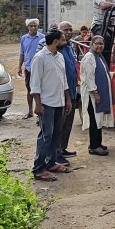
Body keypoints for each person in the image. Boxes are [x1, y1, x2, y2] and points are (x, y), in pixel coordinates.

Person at [30, 30, 73, 181]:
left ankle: (51, 162)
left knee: (56, 135)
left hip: (59, 102)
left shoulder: (59, 56)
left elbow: (64, 80)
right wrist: (38, 104)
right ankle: (38, 169)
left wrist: (67, 99)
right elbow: (34, 84)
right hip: (46, 104)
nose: (65, 42)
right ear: (55, 41)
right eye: (63, 40)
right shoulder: (40, 58)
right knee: (46, 136)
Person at [80, 35, 115, 156]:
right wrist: (95, 93)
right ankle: (94, 146)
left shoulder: (98, 57)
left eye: (101, 44)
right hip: (92, 96)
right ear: (92, 44)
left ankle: (98, 143)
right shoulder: (89, 57)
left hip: (98, 93)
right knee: (95, 121)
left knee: (98, 119)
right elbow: (89, 78)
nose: (99, 46)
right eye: (97, 43)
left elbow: (103, 73)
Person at [57, 21, 80, 163]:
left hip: (72, 92)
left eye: (70, 29)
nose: (69, 32)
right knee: (60, 124)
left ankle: (63, 148)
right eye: (65, 30)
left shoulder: (70, 47)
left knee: (68, 124)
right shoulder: (57, 50)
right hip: (62, 94)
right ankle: (57, 153)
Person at [18, 18, 45, 119]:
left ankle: (42, 110)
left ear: (37, 26)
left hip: (41, 68)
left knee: (42, 90)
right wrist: (19, 67)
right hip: (29, 68)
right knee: (30, 90)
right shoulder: (24, 38)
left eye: (35, 26)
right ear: (28, 27)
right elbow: (22, 53)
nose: (33, 27)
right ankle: (30, 112)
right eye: (31, 26)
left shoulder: (43, 38)